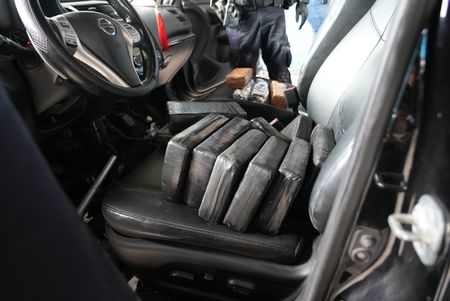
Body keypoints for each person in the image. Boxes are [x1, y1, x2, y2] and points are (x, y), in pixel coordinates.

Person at [215, 0, 309, 84]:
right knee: (242, 72)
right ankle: (244, 101)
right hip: (239, 13)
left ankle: (285, 100)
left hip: (273, 10)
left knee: (280, 66)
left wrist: (302, 2)